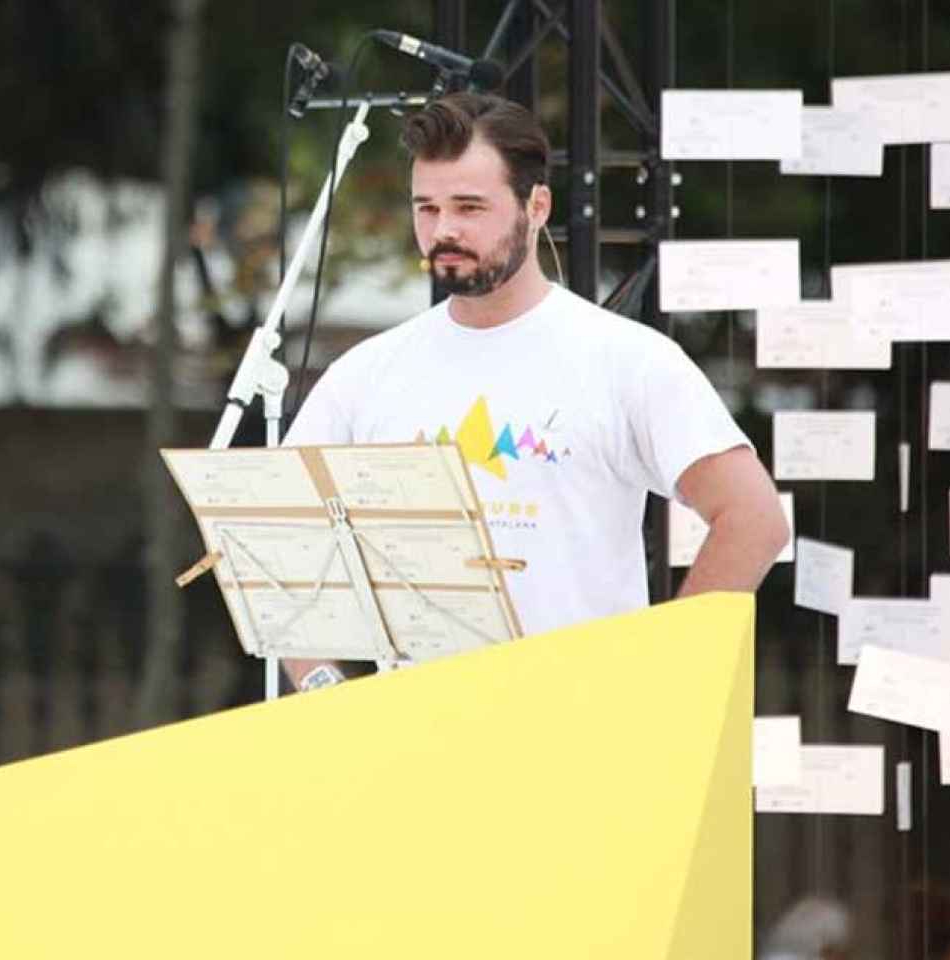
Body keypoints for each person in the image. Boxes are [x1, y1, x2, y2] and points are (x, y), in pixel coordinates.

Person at [281, 92, 789, 691]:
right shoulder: (365, 373)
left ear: (538, 206)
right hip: (414, 742)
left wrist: (666, 676)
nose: (444, 230)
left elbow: (754, 519)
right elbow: (282, 539)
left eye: (470, 207)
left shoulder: (628, 359)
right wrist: (324, 687)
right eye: (427, 208)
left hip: (582, 734)